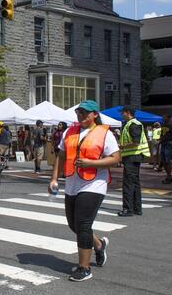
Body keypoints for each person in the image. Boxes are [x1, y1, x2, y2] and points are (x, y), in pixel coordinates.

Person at [48, 100, 119, 282]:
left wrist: (91, 163)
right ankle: (99, 244)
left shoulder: (105, 133)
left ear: (95, 114)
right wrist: (54, 178)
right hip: (73, 182)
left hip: (94, 184)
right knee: (75, 225)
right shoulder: (69, 131)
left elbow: (115, 159)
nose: (81, 116)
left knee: (84, 224)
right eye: (79, 112)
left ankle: (84, 268)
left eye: (85, 113)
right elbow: (61, 156)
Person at [117, 106, 149, 217]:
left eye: (123, 113)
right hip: (133, 157)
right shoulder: (132, 124)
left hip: (132, 156)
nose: (121, 115)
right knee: (134, 183)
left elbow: (136, 142)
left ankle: (127, 209)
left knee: (128, 183)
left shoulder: (134, 124)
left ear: (128, 113)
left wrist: (122, 146)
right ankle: (136, 208)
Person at [159, 119, 172, 184]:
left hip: (168, 145)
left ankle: (169, 176)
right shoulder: (163, 126)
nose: (163, 120)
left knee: (167, 161)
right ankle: (168, 176)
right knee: (163, 161)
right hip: (163, 144)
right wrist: (160, 141)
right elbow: (162, 135)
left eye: (165, 118)